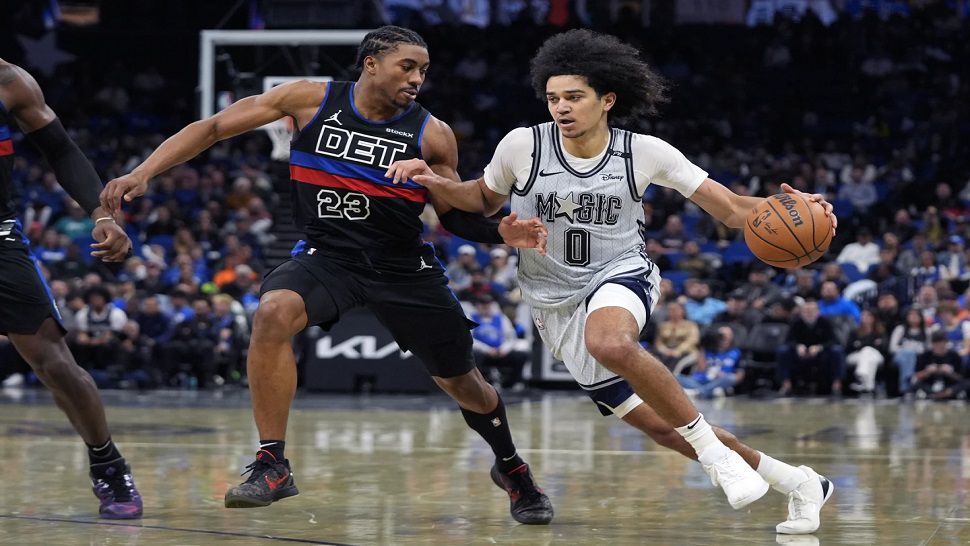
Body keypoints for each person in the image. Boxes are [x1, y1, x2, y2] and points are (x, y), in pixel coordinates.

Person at [387, 29, 837, 535]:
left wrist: (793, 209)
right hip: (552, 300)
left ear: (607, 100)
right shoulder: (523, 144)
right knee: (664, 430)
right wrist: (435, 180)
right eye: (553, 97)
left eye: (574, 97)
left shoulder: (642, 152)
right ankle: (800, 483)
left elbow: (732, 210)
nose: (561, 107)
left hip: (620, 273)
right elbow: (481, 199)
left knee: (609, 341)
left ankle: (715, 457)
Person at [99, 26, 553, 524]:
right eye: (408, 66)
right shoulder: (308, 99)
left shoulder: (432, 133)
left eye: (424, 70)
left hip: (402, 265)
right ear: (371, 63)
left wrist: (499, 234)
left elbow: (452, 213)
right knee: (272, 311)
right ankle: (272, 462)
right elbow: (211, 128)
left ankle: (512, 467)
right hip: (328, 256)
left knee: (464, 383)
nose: (418, 78)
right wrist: (144, 172)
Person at [0, 59, 141, 518]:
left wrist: (101, 214)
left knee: (55, 364)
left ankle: (108, 463)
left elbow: (60, 151)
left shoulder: (7, 80)